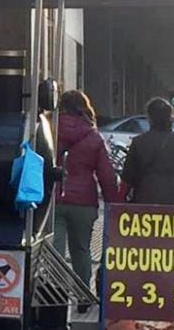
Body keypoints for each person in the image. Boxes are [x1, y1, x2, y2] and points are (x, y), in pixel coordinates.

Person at [53, 90, 122, 312]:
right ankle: (83, 298)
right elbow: (106, 175)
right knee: (81, 250)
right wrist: (114, 204)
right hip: (84, 202)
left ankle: (54, 299)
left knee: (55, 250)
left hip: (54, 199)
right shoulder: (93, 136)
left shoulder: (49, 128)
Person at [122, 98, 174, 206]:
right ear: (171, 117)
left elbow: (128, 176)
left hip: (147, 199)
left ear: (150, 118)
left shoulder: (139, 142)